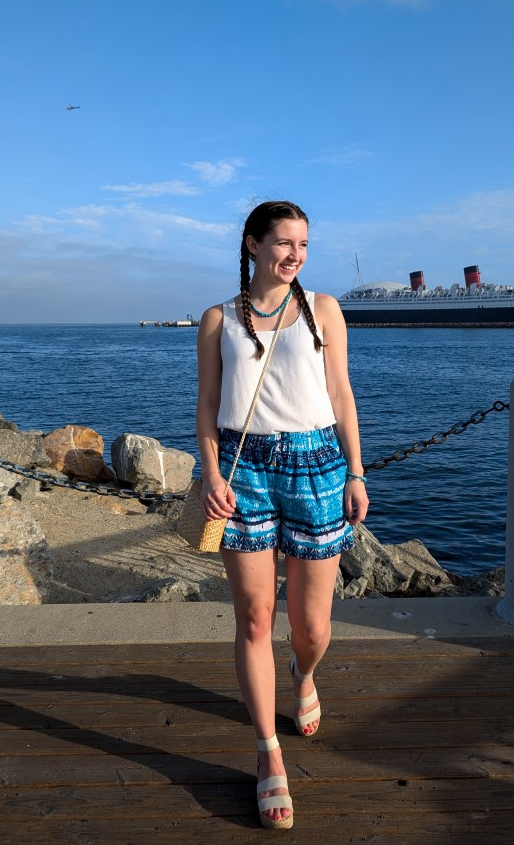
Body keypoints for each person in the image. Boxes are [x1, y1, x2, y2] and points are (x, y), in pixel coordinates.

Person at [196, 200, 369, 830]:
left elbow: (342, 392)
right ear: (251, 244)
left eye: (302, 244)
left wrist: (355, 470)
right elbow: (209, 404)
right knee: (254, 616)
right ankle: (269, 753)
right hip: (243, 471)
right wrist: (212, 473)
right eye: (283, 243)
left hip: (318, 463)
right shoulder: (219, 319)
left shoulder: (322, 310)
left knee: (312, 626)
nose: (294, 254)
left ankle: (303, 672)